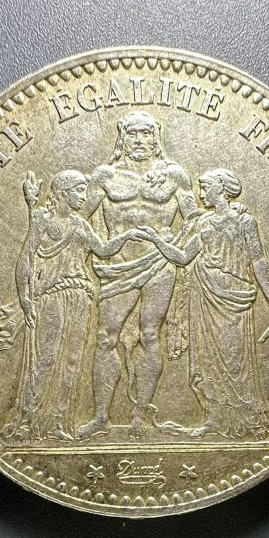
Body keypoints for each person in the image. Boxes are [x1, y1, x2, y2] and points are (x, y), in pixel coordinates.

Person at [134, 168, 269, 438]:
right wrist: (155, 239)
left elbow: (258, 259)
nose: (201, 194)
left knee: (235, 360)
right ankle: (213, 420)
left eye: (205, 187)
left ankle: (248, 421)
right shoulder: (203, 223)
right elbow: (183, 257)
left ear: (222, 188)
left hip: (233, 298)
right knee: (206, 361)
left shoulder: (245, 222)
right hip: (205, 297)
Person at [76, 112, 199, 439]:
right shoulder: (105, 176)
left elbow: (194, 219)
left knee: (150, 335)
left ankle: (140, 415)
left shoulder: (174, 175)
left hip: (160, 263)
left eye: (146, 134)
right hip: (117, 264)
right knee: (106, 336)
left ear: (156, 138)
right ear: (123, 138)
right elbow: (81, 221)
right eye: (133, 134)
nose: (140, 140)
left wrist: (177, 243)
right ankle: (101, 416)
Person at [2, 169, 139, 442]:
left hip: (80, 296)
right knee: (47, 357)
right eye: (79, 191)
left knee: (73, 360)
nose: (83, 197)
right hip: (52, 295)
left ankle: (56, 421)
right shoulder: (42, 219)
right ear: (63, 192)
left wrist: (128, 235)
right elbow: (25, 260)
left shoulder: (80, 224)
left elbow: (103, 250)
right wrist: (25, 299)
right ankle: (30, 419)